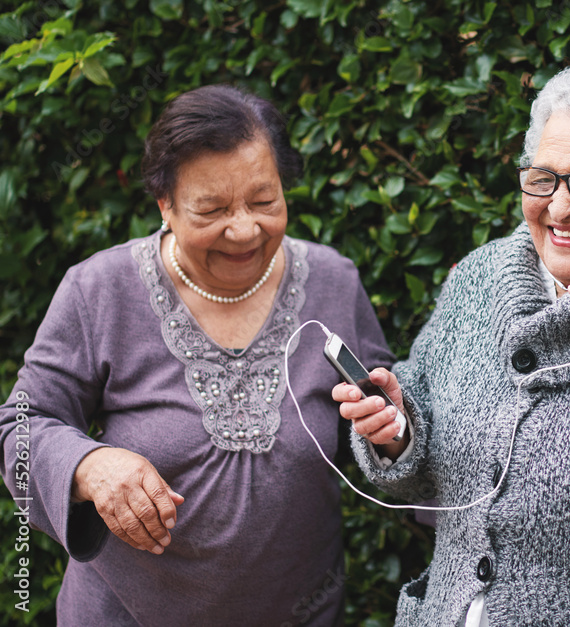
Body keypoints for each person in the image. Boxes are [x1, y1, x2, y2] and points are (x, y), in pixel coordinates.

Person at [333, 55, 570, 625]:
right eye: (543, 179)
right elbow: (424, 462)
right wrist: (396, 431)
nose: (559, 207)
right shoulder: (479, 277)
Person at [0, 85, 394, 625]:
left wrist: (391, 430)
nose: (244, 229)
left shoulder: (333, 281)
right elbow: (20, 426)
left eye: (264, 201)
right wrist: (88, 465)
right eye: (211, 209)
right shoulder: (100, 290)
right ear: (165, 203)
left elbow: (387, 433)